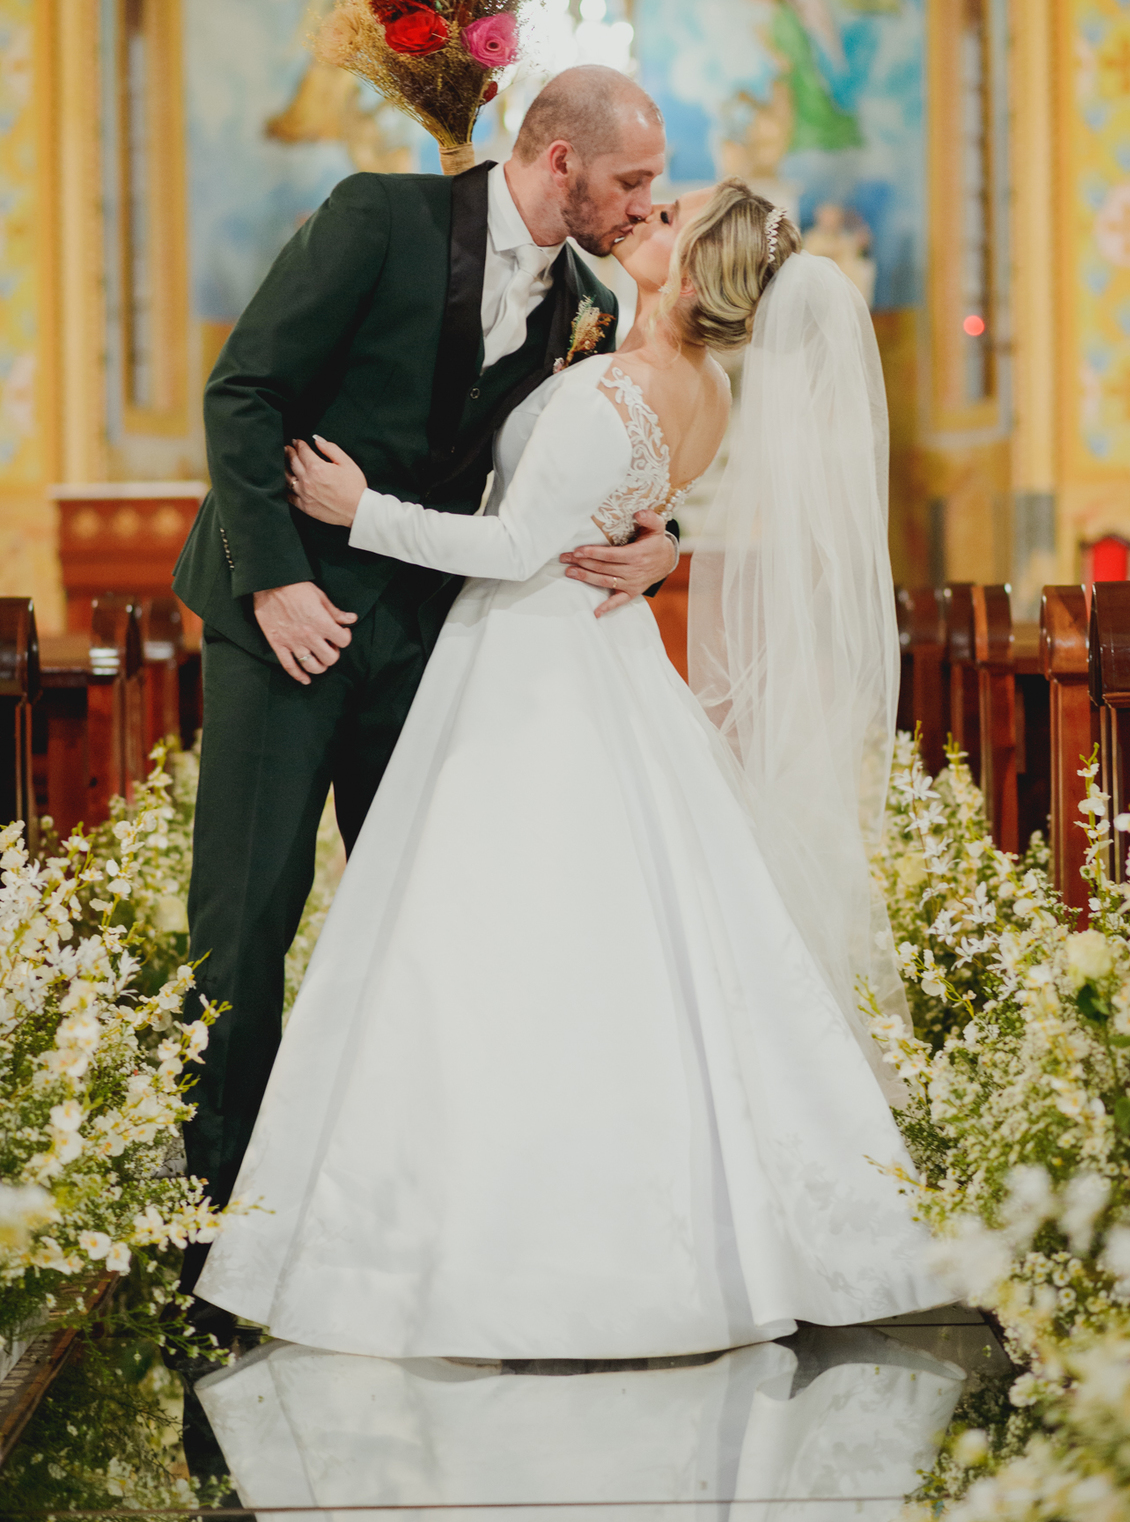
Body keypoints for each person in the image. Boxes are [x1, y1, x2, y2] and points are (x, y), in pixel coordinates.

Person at [195, 178, 947, 1358]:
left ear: (693, 273)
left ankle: (482, 1228)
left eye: (669, 216)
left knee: (498, 939)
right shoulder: (699, 388)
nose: (647, 216)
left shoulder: (617, 384)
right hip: (599, 658)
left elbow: (512, 543)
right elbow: (622, 498)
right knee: (619, 929)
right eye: (648, 196)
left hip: (530, 663)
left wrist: (356, 504)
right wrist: (664, 541)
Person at [171, 66, 679, 1335]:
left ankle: (379, 1218)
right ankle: (212, 1236)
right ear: (559, 162)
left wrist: (668, 542)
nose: (643, 204)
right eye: (631, 180)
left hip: (422, 639)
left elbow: (602, 458)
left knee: (422, 923)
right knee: (247, 916)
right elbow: (243, 393)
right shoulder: (379, 219)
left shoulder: (586, 304)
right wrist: (277, 583)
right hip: (280, 622)